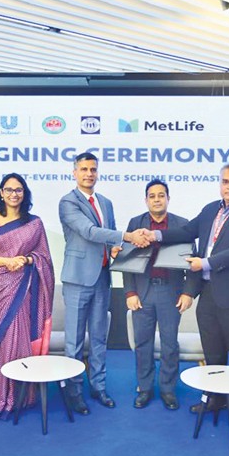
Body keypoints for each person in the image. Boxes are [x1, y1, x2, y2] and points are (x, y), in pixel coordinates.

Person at [147, 163, 229, 424]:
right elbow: (185, 232)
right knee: (213, 354)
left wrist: (205, 263)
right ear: (220, 184)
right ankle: (214, 399)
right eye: (226, 181)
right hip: (208, 294)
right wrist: (153, 235)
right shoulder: (211, 209)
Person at [58, 152, 150, 415]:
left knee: (99, 338)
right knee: (74, 341)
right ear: (74, 172)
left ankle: (98, 387)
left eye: (93, 169)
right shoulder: (68, 202)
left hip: (102, 278)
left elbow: (108, 238)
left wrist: (116, 248)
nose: (89, 173)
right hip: (77, 279)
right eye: (84, 169)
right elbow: (88, 231)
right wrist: (128, 236)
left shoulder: (106, 203)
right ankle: (73, 392)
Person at [0, 173, 55, 419]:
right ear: (1, 193)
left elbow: (44, 257)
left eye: (18, 190)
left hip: (24, 286)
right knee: (2, 338)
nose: (13, 194)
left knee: (20, 338)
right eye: (8, 190)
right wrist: (7, 262)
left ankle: (23, 395)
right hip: (0, 286)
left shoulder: (35, 223)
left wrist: (28, 260)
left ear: (24, 193)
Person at [123, 179, 190, 410]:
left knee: (170, 343)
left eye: (161, 195)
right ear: (146, 200)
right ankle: (145, 388)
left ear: (168, 198)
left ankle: (168, 390)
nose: (157, 200)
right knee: (143, 343)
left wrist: (188, 292)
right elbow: (127, 259)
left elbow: (192, 259)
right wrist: (130, 292)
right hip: (143, 291)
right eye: (152, 196)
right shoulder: (136, 223)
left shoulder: (182, 225)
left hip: (171, 292)